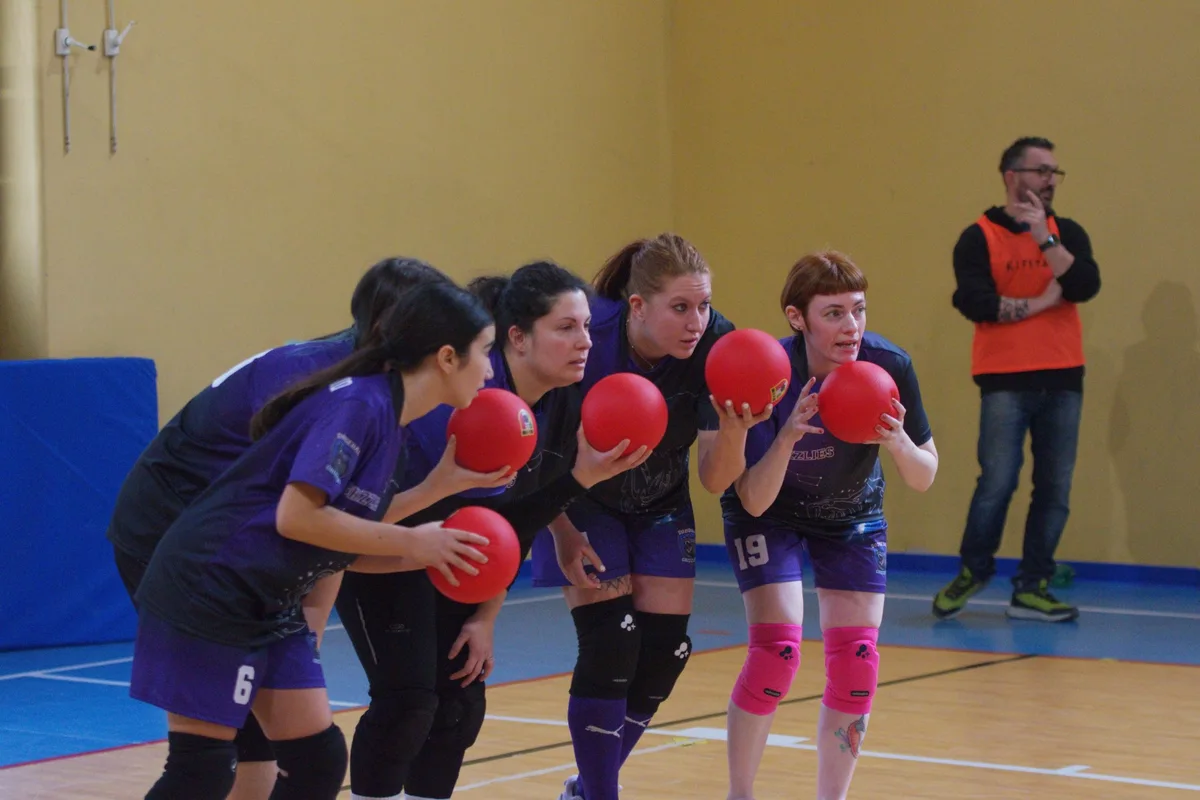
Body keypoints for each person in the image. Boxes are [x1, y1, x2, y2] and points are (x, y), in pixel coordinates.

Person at [106, 258, 503, 800]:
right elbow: (297, 517)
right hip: (213, 583)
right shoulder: (355, 403)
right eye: (485, 352)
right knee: (203, 769)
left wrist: (430, 548)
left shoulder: (390, 419)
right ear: (445, 355)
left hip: (268, 594)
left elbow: (343, 540)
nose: (490, 371)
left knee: (317, 761)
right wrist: (415, 540)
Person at [336, 260, 650, 800]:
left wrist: (485, 616)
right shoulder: (470, 402)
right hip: (379, 541)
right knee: (408, 703)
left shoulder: (562, 401)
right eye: (565, 327)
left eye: (586, 327)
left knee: (459, 704)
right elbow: (377, 516)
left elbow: (509, 526)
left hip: (451, 551)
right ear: (518, 337)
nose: (585, 342)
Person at [530, 233, 764, 800]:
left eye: (704, 305)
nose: (696, 321)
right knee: (612, 644)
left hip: (661, 500)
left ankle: (586, 789)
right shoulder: (588, 339)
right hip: (581, 499)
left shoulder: (717, 345)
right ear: (637, 306)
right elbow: (536, 449)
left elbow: (714, 479)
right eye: (680, 307)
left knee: (663, 655)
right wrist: (560, 528)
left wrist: (736, 430)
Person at [720, 250, 937, 800]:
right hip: (770, 511)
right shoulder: (771, 373)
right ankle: (740, 794)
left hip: (850, 514)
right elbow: (753, 498)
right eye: (834, 313)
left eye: (858, 310)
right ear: (798, 318)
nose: (851, 326)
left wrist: (897, 441)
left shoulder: (890, 365)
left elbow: (924, 475)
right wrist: (788, 436)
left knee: (858, 665)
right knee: (776, 653)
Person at [934, 136, 1101, 623]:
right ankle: (974, 570)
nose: (1050, 180)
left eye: (1054, 172)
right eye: (1041, 171)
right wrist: (1043, 302)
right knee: (997, 481)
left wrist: (1045, 239)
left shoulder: (1066, 232)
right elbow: (976, 303)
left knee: (1054, 488)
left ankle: (1032, 587)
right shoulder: (978, 236)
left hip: (1063, 377)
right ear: (1012, 177)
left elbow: (1084, 284)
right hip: (1004, 379)